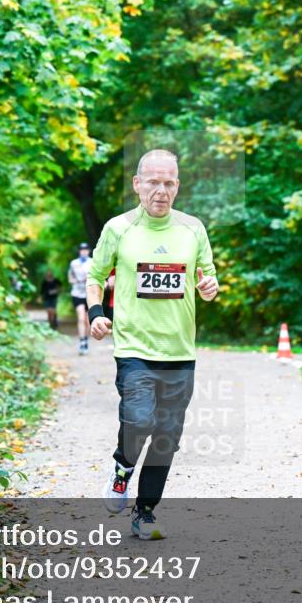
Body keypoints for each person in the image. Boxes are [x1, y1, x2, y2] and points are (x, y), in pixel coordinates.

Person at [86, 149, 219, 540]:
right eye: (153, 182)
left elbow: (207, 280)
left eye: (169, 183)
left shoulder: (193, 229)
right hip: (134, 349)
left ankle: (145, 512)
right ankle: (122, 469)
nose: (160, 191)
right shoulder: (118, 228)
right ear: (137, 184)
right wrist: (96, 314)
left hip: (180, 352)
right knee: (139, 421)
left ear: (177, 186)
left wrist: (209, 287)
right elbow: (95, 275)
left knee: (165, 437)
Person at [67, 243, 92, 355]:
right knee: (81, 318)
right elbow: (70, 276)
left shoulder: (92, 262)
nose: (84, 252)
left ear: (89, 251)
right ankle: (82, 341)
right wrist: (74, 281)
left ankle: (86, 340)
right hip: (77, 293)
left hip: (89, 294)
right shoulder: (74, 263)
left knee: (87, 321)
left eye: (86, 250)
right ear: (79, 251)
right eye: (82, 250)